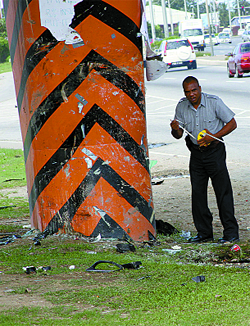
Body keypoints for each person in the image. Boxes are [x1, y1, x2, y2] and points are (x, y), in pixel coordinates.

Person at [170, 76, 239, 244]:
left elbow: (232, 123)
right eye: (188, 91)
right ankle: (204, 233)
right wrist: (175, 129)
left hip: (215, 151)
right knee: (198, 194)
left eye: (194, 90)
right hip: (196, 153)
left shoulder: (213, 102)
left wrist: (213, 137)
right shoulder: (182, 106)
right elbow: (178, 135)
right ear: (184, 92)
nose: (191, 94)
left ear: (199, 88)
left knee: (222, 192)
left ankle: (230, 233)